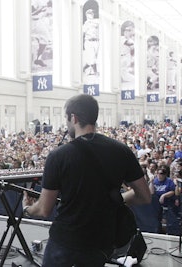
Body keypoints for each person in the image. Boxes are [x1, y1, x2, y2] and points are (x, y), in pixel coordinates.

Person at [22, 94, 151, 266]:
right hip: (101, 242)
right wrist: (116, 200)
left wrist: (27, 209)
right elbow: (145, 196)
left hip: (66, 241)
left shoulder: (59, 156)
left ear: (73, 118)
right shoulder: (121, 151)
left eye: (66, 119)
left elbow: (44, 209)